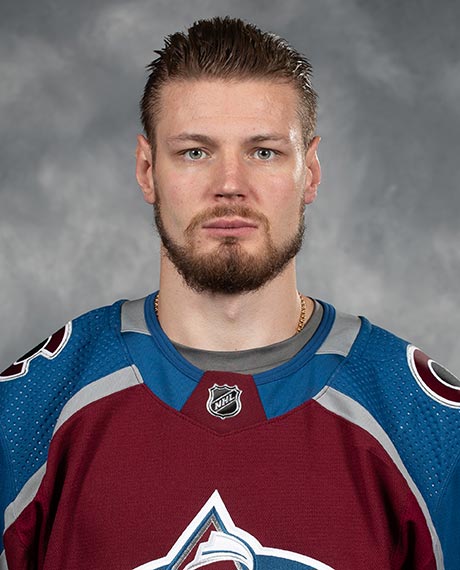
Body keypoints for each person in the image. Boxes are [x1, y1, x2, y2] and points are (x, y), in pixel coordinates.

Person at [0, 16, 458, 570]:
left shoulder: (426, 423)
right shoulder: (36, 407)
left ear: (311, 172)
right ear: (146, 169)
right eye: (195, 152)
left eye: (264, 152)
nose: (230, 185)